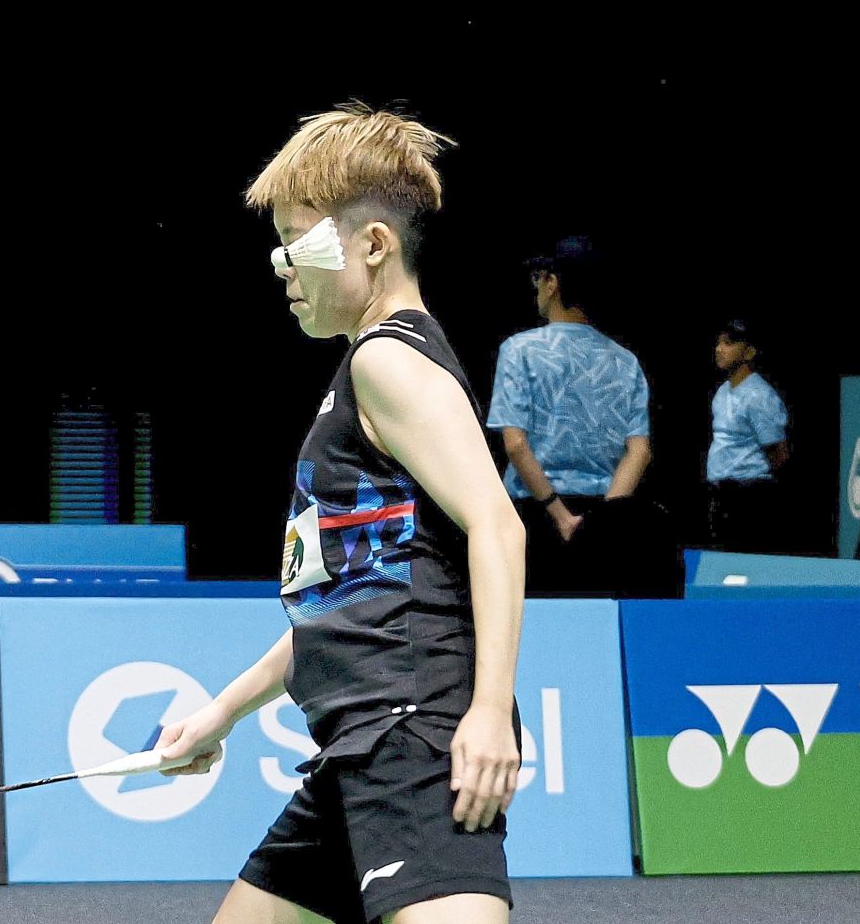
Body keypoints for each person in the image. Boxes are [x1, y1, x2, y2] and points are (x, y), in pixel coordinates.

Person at [154, 104, 526, 924]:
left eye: (300, 241)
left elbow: (499, 525)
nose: (283, 265)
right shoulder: (369, 368)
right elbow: (347, 603)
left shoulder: (388, 360)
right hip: (358, 746)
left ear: (373, 244)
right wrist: (222, 710)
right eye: (278, 243)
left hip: (411, 737)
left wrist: (489, 710)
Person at [486, 236, 654, 594]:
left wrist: (561, 516)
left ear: (553, 282)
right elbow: (638, 451)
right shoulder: (626, 362)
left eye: (539, 278)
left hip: (534, 514)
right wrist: (600, 524)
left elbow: (515, 444)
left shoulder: (519, 351)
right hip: (603, 519)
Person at [706, 319, 789, 553]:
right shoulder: (722, 392)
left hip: (749, 498)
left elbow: (778, 452)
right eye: (719, 343)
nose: (719, 349)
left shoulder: (759, 396)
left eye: (729, 343)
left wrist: (757, 492)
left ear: (749, 352)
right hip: (721, 495)